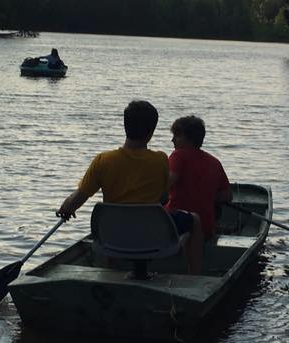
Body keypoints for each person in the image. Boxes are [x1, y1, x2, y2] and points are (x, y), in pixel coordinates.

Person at [57, 100, 202, 270]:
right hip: (152, 237)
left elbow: (77, 198)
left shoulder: (103, 160)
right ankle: (195, 274)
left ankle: (111, 271)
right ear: (151, 132)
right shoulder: (160, 159)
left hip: (113, 238)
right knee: (195, 220)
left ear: (125, 125)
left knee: (111, 222)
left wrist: (65, 209)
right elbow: (163, 198)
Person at [165, 115, 232, 251]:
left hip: (176, 226)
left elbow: (164, 185)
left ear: (188, 139)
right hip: (205, 228)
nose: (172, 140)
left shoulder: (178, 155)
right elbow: (227, 196)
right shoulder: (214, 162)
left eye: (177, 136)